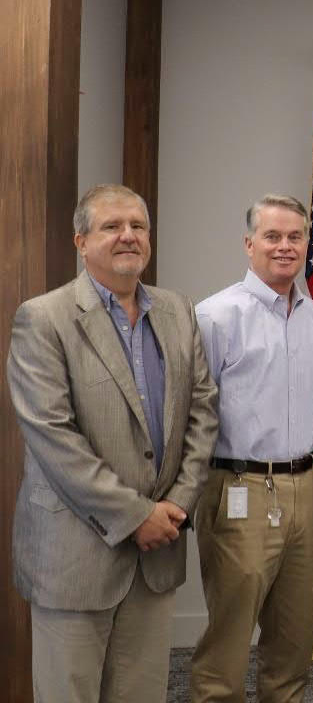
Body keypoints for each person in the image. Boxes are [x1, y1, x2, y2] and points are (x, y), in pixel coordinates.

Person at [7, 184, 218, 702]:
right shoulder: (44, 317)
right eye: (112, 226)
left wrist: (176, 504)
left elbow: (203, 412)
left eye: (138, 226)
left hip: (158, 552)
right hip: (75, 557)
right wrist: (136, 516)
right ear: (81, 241)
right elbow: (54, 437)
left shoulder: (178, 311)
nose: (128, 236)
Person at [191, 194, 313, 703]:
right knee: (229, 638)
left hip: (306, 487)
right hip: (239, 487)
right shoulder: (215, 316)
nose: (284, 246)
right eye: (272, 236)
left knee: (292, 640)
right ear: (249, 244)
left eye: (295, 236)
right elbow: (190, 412)